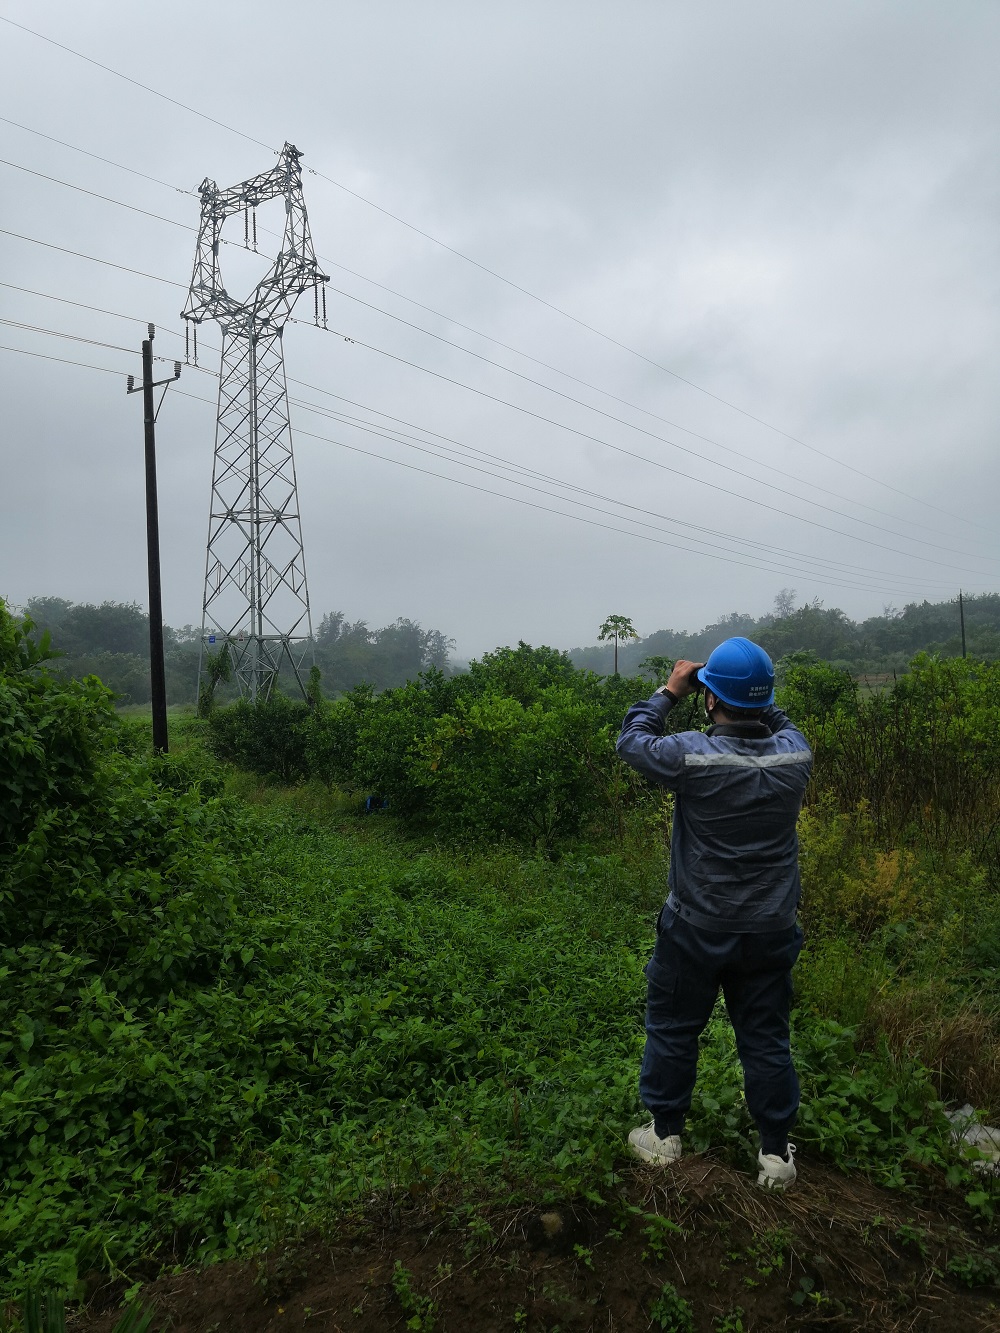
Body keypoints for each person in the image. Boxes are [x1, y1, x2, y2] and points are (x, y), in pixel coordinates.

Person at [616, 637, 812, 1190]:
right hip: (771, 927)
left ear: (708, 699)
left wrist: (670, 689)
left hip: (696, 926)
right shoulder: (796, 755)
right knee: (766, 1038)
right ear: (766, 698)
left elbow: (632, 740)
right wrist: (750, 689)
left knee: (675, 1027)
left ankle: (664, 1134)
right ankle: (775, 1156)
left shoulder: (690, 756)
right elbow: (779, 717)